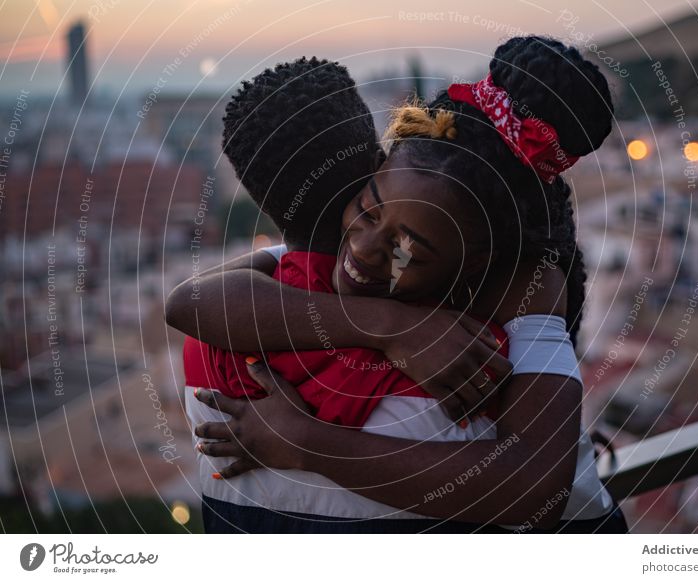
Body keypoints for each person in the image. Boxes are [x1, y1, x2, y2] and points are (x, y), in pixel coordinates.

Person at [170, 36, 628, 533]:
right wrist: (391, 325)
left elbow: (528, 488)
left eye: (407, 249)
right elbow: (187, 302)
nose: (367, 249)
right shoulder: (344, 278)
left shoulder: (519, 293)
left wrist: (308, 443)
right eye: (368, 209)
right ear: (374, 167)